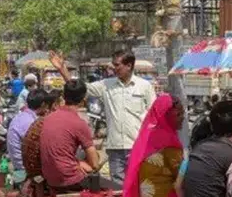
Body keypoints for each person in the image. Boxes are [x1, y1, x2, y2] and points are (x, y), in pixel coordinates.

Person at [51, 49, 155, 181]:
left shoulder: (144, 86)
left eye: (117, 65)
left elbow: (154, 116)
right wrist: (62, 69)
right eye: (113, 64)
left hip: (137, 147)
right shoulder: (106, 85)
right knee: (118, 190)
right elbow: (81, 88)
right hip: (115, 148)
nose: (113, 68)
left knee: (139, 186)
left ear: (129, 65)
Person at [122, 94, 186, 197]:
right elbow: (181, 175)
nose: (182, 117)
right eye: (178, 114)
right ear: (166, 116)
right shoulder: (169, 141)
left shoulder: (146, 135)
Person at [38, 79, 101, 192]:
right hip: (70, 179)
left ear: (64, 96)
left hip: (50, 178)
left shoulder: (48, 118)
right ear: (83, 99)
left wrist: (78, 162)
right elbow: (95, 164)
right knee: (116, 190)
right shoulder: (79, 123)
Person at [6, 89, 48, 185]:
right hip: (23, 169)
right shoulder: (30, 122)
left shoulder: (21, 117)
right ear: (43, 104)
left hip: (18, 164)